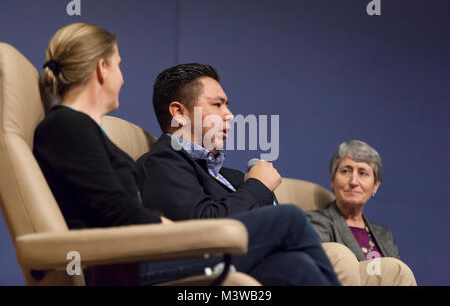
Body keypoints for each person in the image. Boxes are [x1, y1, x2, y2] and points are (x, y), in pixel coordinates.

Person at [34, 22, 340, 286]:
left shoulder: (82, 129)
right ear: (102, 68)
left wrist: (185, 235)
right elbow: (117, 212)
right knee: (286, 217)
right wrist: (185, 236)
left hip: (140, 254)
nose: (123, 78)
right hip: (124, 265)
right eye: (118, 65)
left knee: (294, 268)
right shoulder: (65, 126)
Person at [136, 63, 280, 220]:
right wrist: (259, 186)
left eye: (226, 105)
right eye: (217, 104)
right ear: (179, 113)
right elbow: (203, 225)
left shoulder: (236, 178)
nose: (230, 115)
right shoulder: (160, 163)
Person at [306, 140, 417, 285]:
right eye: (346, 171)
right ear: (333, 180)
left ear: (375, 186)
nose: (353, 181)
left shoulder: (384, 235)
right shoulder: (316, 222)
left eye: (363, 173)